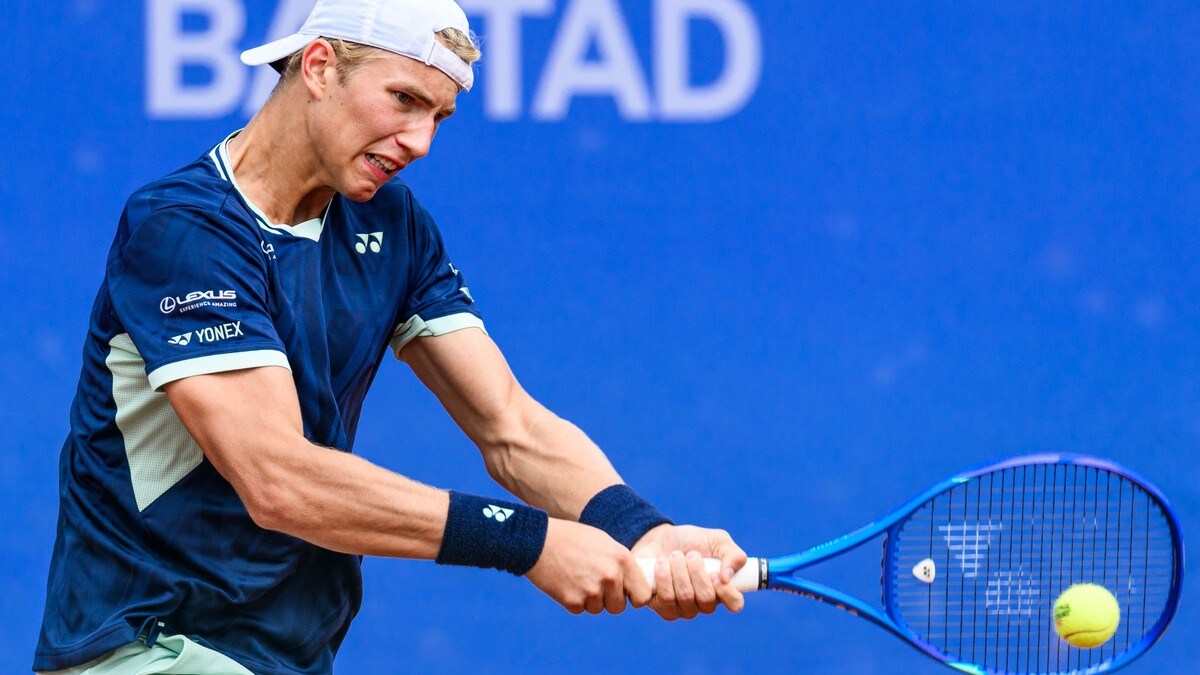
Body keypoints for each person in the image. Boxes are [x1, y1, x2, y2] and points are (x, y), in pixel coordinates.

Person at [34, 0, 747, 672]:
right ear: (317, 68)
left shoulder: (391, 224)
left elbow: (511, 426)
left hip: (280, 652)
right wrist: (527, 540)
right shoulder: (184, 229)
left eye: (440, 115)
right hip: (152, 645)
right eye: (403, 99)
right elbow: (278, 478)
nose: (420, 141)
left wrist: (641, 529)